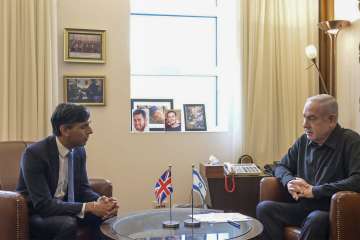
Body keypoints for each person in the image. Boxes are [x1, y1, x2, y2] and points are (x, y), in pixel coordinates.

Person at [256, 94, 360, 240]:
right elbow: (280, 166)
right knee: (265, 209)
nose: (304, 124)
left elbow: (357, 180)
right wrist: (289, 181)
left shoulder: (351, 141)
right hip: (302, 207)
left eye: (311, 118)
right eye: (304, 117)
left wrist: (315, 191)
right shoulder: (303, 141)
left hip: (329, 210)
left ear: (331, 120)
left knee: (315, 219)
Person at [16, 103, 119, 240]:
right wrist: (90, 206)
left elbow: (82, 188)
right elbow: (44, 205)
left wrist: (101, 201)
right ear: (65, 130)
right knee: (67, 224)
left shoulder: (78, 151)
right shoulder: (34, 154)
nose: (90, 131)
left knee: (106, 215)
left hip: (65, 208)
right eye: (84, 126)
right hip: (37, 215)